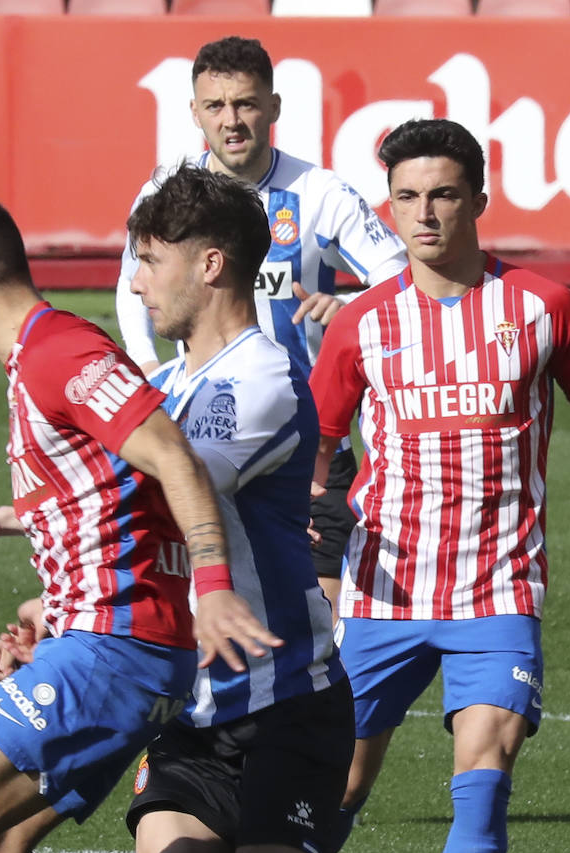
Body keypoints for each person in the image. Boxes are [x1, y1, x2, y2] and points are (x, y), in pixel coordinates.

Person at [308, 119, 570, 853]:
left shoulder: (544, 307)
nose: (425, 213)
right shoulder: (360, 324)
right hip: (383, 589)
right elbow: (317, 449)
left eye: (442, 194)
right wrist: (304, 556)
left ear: (478, 197)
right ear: (390, 206)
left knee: (486, 767)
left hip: (497, 589)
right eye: (407, 197)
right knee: (340, 775)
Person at [0, 195, 280, 853]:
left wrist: (215, 584)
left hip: (114, 652)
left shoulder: (60, 352)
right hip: (113, 646)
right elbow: (114, 485)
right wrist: (9, 529)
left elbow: (175, 459)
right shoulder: (42, 359)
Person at [113, 35, 411, 611]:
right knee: (198, 605)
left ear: (273, 107)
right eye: (216, 106)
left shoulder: (319, 193)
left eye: (246, 104)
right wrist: (149, 369)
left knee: (314, 615)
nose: (232, 121)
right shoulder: (166, 194)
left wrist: (349, 308)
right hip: (202, 427)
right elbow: (132, 288)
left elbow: (399, 280)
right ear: (194, 113)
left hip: (308, 438)